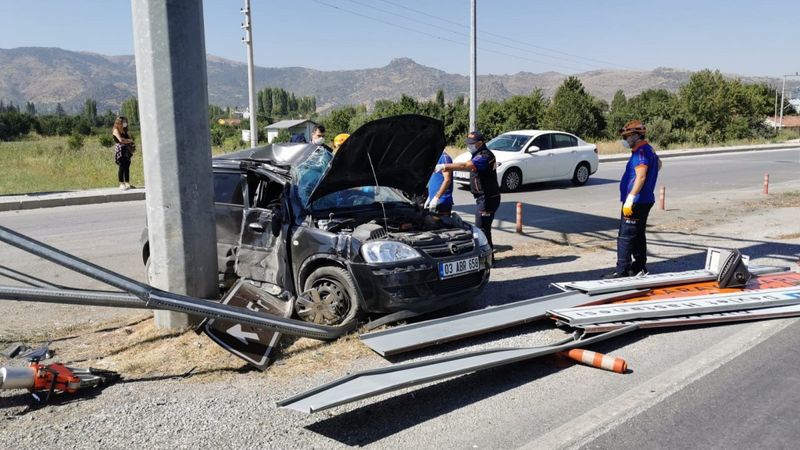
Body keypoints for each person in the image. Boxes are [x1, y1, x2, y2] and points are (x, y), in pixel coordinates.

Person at [605, 119, 663, 278]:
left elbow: (641, 176)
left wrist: (630, 198)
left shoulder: (641, 152)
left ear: (636, 136)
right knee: (638, 234)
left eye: (627, 137)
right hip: (645, 200)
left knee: (626, 236)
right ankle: (639, 266)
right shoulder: (649, 150)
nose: (625, 140)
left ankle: (622, 270)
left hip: (636, 202)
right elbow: (659, 164)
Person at [436, 131, 500, 249]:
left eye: (472, 143)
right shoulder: (478, 154)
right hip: (483, 197)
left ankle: (487, 254)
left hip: (488, 198)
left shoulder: (484, 156)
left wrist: (444, 166)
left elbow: (465, 166)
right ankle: (488, 253)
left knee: (482, 227)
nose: (469, 146)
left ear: (480, 143)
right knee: (484, 227)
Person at [424, 150, 454, 216]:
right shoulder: (435, 158)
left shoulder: (444, 158)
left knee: (442, 224)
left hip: (442, 201)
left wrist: (436, 198)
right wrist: (430, 196)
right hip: (434, 199)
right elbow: (435, 179)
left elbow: (447, 180)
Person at [112, 116, 135, 190]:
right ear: (119, 122)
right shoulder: (115, 130)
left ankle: (127, 183)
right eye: (123, 122)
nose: (125, 123)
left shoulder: (124, 130)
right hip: (120, 149)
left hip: (126, 150)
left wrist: (129, 140)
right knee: (122, 166)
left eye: (125, 122)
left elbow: (130, 139)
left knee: (127, 166)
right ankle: (121, 183)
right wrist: (129, 141)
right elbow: (120, 140)